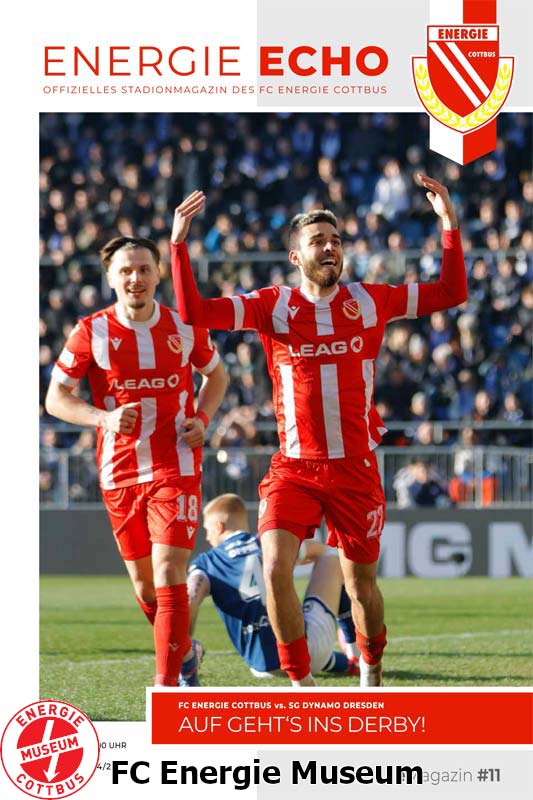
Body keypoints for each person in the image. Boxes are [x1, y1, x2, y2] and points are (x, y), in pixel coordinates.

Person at [170, 175, 467, 688]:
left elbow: (451, 292)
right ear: (296, 257)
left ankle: (371, 667)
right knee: (274, 567)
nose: (330, 248)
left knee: (361, 586)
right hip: (295, 467)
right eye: (318, 241)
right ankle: (300, 683)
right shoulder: (272, 305)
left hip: (354, 467)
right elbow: (194, 312)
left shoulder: (370, 300)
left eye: (336, 240)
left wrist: (449, 226)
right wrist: (177, 244)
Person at [45, 234, 228, 686]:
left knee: (168, 573)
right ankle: (186, 652)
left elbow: (217, 376)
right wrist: (103, 418)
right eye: (125, 270)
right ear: (110, 278)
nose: (135, 278)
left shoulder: (184, 325)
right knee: (147, 590)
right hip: (120, 471)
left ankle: (168, 690)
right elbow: (55, 398)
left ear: (159, 273)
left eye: (144, 269)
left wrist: (203, 419)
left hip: (176, 464)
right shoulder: (91, 332)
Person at [182, 493, 359, 685]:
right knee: (332, 555)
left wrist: (186, 647)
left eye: (207, 530)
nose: (207, 537)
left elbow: (189, 600)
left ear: (219, 526)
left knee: (292, 641)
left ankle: (346, 663)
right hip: (305, 651)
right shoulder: (269, 543)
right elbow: (321, 550)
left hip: (263, 667)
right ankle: (354, 649)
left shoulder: (207, 562)